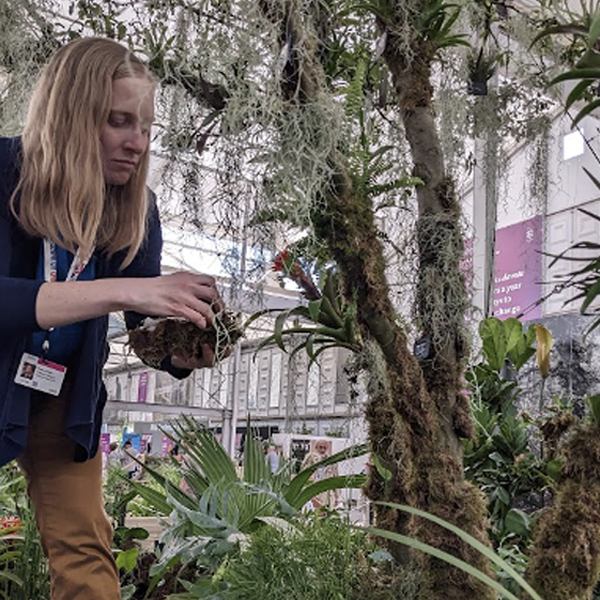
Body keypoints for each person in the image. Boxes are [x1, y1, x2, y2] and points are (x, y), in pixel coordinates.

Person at [0, 37, 228, 600]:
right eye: (119, 121)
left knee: (85, 550)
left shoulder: (136, 209)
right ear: (71, 115)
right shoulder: (4, 171)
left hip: (62, 394)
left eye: (147, 127)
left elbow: (141, 329)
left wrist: (183, 350)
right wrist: (128, 287)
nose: (138, 143)